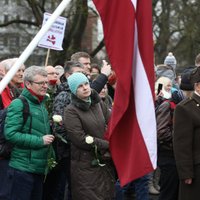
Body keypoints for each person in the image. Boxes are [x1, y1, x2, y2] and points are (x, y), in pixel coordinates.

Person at [3, 66, 55, 200]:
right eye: (40, 83)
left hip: (38, 169)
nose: (45, 86)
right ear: (28, 84)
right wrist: (40, 141)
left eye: (46, 82)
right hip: (21, 169)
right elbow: (11, 134)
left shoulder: (42, 104)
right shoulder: (18, 104)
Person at [64, 72, 115, 200]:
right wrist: (108, 145)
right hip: (85, 165)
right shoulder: (71, 110)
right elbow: (80, 139)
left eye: (86, 83)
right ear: (74, 91)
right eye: (80, 86)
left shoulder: (97, 103)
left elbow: (112, 122)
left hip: (104, 162)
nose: (85, 87)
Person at [173, 67, 200, 200]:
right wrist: (186, 173)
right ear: (198, 86)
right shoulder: (185, 108)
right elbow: (181, 144)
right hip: (196, 170)